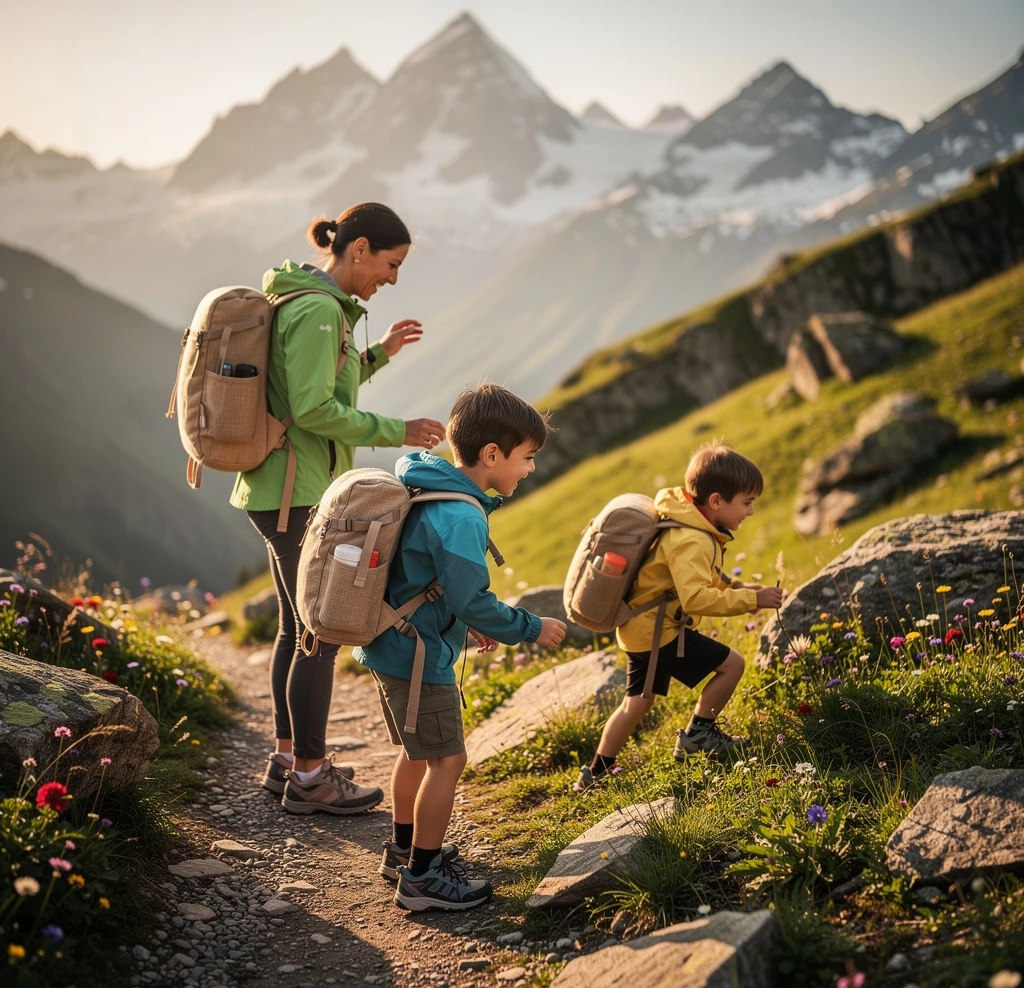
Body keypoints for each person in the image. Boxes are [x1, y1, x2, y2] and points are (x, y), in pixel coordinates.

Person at [231, 202, 448, 814]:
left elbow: (317, 388)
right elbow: (311, 408)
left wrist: (375, 356)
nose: (393, 278)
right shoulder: (322, 311)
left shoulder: (314, 302)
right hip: (296, 491)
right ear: (359, 250)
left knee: (293, 629)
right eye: (391, 263)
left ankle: (286, 760)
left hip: (280, 486)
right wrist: (398, 428)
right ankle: (310, 776)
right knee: (319, 633)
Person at [355, 384, 567, 909]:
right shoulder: (464, 515)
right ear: (492, 455)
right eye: (527, 458)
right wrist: (529, 627)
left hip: (391, 644)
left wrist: (461, 624)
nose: (530, 469)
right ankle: (423, 877)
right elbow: (473, 598)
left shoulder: (431, 487)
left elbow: (429, 582)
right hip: (419, 659)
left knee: (417, 751)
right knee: (447, 762)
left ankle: (402, 850)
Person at [574, 443, 784, 791]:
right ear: (716, 501)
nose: (750, 511)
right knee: (732, 665)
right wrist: (751, 598)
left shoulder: (688, 524)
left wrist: (741, 588)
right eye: (746, 503)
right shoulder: (692, 538)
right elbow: (696, 597)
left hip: (642, 629)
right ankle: (698, 736)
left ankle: (595, 772)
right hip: (660, 633)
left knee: (637, 703)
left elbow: (700, 577)